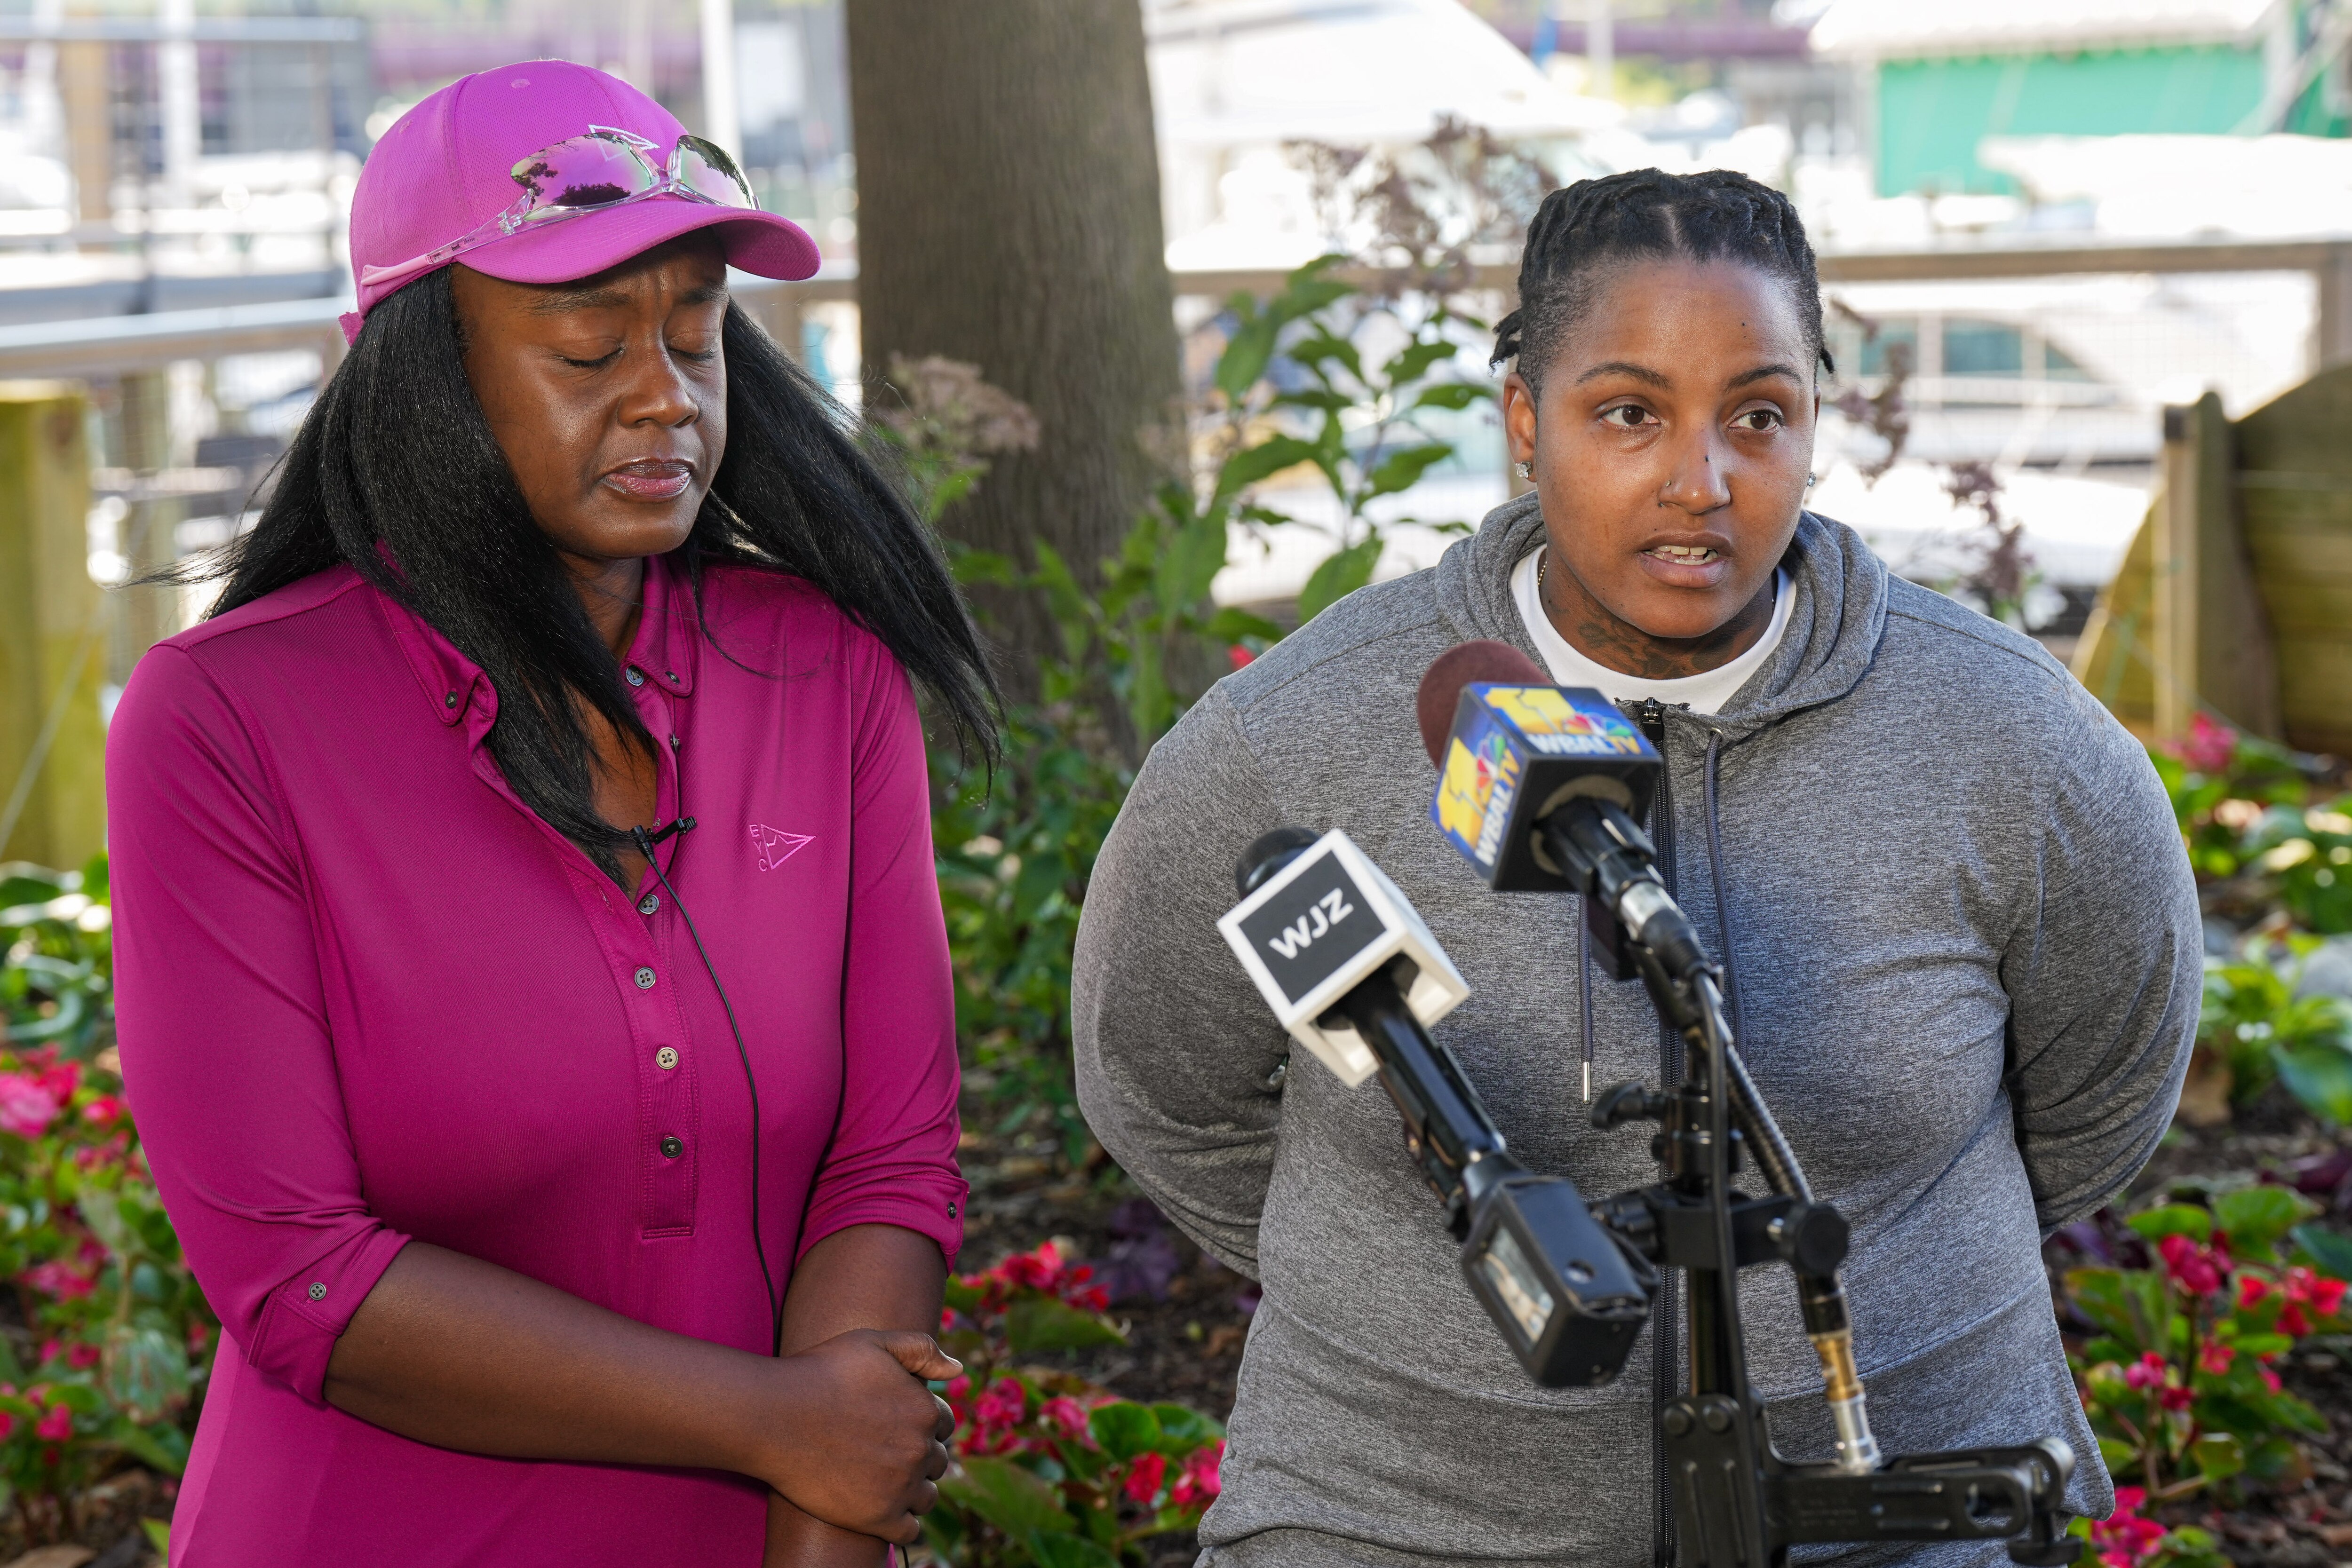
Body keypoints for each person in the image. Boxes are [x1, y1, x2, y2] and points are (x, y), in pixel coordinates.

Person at [1072, 169, 2199, 1567]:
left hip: (1905, 1505)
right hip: (1395, 1518)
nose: (1700, 480)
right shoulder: (1284, 743)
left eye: (1759, 416)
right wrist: (1448, 1350)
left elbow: (2099, 1103)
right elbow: (1164, 1091)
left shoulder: (2020, 745)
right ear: (1523, 423)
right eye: (1629, 413)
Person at [107, 63, 993, 1567]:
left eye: (698, 332)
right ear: (422, 368)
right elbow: (300, 1281)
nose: (666, 392)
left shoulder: (821, 670)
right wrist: (777, 1425)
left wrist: (820, 1525)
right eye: (589, 346)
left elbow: (886, 1156)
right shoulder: (223, 722)